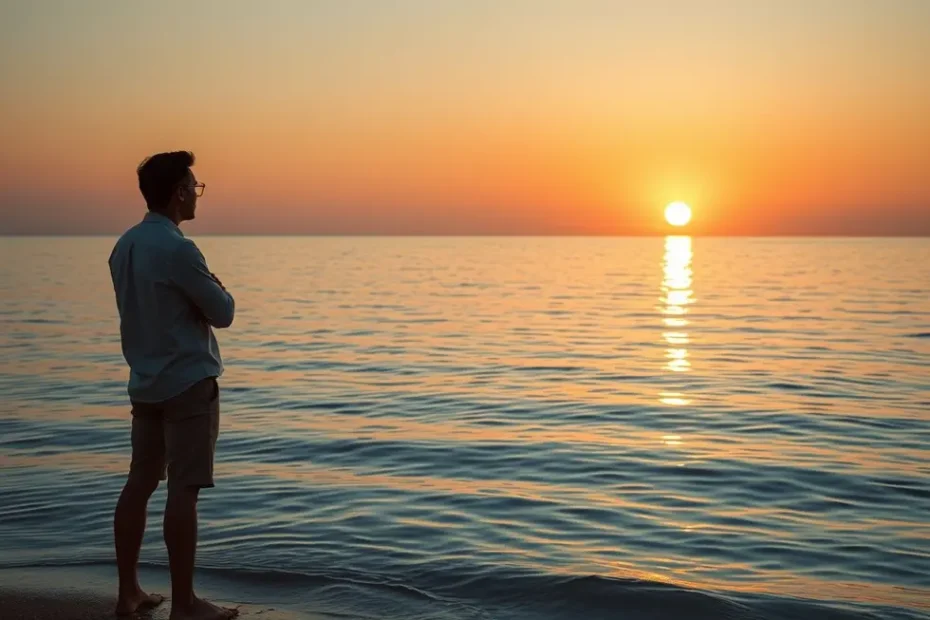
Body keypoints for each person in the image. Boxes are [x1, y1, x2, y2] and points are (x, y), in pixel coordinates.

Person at [108, 151, 238, 620]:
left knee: (140, 482)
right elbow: (222, 312)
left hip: (144, 382)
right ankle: (184, 603)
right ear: (179, 191)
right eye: (194, 185)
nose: (197, 193)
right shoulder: (180, 249)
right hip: (186, 381)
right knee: (183, 490)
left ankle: (128, 593)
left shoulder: (124, 246)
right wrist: (216, 287)